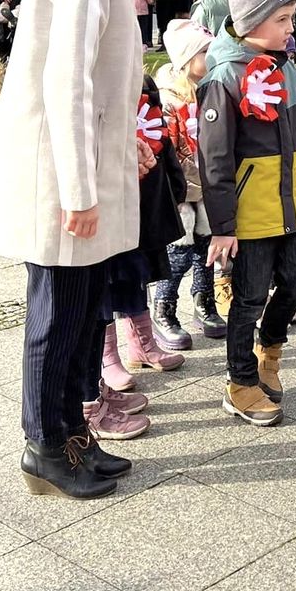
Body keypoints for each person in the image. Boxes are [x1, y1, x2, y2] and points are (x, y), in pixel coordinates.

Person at [0, 0, 169, 499]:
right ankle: (43, 444)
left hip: (77, 163)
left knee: (80, 312)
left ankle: (70, 436)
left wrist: (130, 147)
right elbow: (69, 82)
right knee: (57, 316)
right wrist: (85, 189)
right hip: (59, 172)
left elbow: (102, 82)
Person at [197, 0, 296, 425]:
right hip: (250, 216)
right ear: (252, 21)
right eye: (282, 19)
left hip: (289, 207)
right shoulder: (224, 77)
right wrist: (223, 226)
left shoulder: (288, 68)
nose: (291, 27)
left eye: (292, 17)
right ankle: (239, 383)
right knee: (248, 298)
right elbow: (213, 158)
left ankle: (268, 348)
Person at [91, 74, 186, 440]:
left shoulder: (142, 81)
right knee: (107, 282)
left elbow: (162, 135)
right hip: (109, 196)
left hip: (144, 197)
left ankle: (143, 344)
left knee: (136, 273)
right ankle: (107, 358)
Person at [150, 19, 227, 343]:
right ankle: (164, 309)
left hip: (206, 185)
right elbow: (166, 150)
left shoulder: (210, 90)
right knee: (179, 252)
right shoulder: (170, 100)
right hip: (181, 190)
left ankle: (204, 302)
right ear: (186, 59)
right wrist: (176, 190)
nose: (211, 56)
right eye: (204, 51)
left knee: (206, 249)